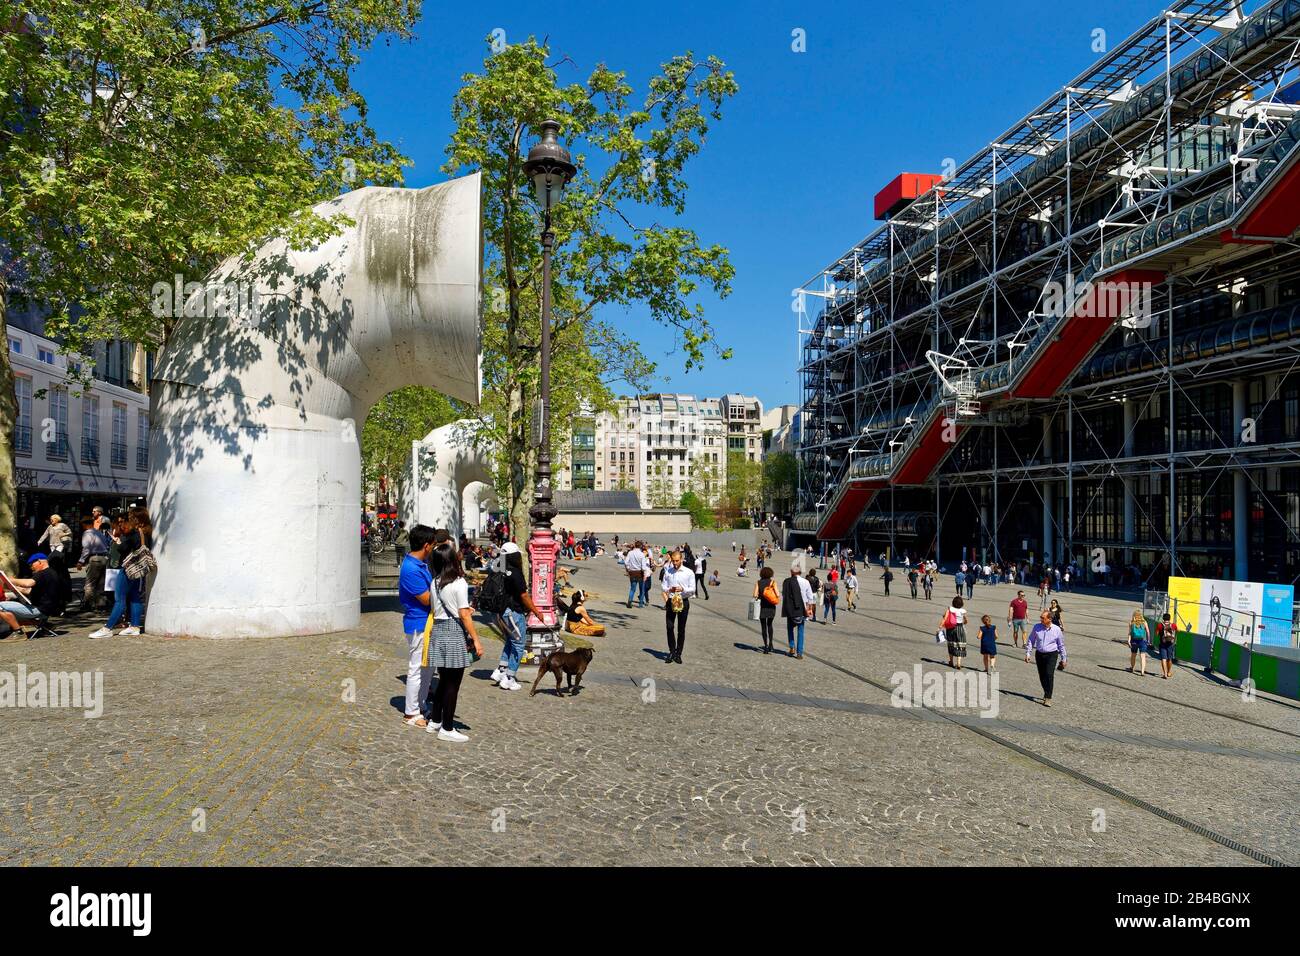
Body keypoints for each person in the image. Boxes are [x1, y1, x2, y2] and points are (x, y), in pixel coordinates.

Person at [425, 542, 483, 742]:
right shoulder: (459, 582)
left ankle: (435, 720)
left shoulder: (434, 582)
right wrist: (476, 639)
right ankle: (447, 727)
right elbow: (464, 614)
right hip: (453, 631)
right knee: (453, 684)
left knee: (443, 680)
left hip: (438, 630)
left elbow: (439, 608)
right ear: (452, 560)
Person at [396, 525, 437, 728]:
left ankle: (420, 706)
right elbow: (427, 599)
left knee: (428, 668)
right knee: (416, 668)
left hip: (427, 622)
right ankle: (410, 712)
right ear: (427, 545)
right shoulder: (411, 569)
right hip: (418, 623)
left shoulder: (421, 564)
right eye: (433, 545)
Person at [490, 542, 540, 691]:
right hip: (512, 612)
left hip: (499, 611)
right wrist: (536, 612)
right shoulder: (515, 573)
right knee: (519, 644)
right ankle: (509, 678)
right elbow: (523, 595)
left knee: (511, 641)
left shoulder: (498, 567)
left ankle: (500, 671)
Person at [89, 515, 145, 639]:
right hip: (137, 568)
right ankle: (135, 626)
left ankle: (108, 627)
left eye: (121, 522)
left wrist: (118, 542)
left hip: (127, 567)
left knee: (120, 598)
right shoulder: (139, 532)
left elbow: (123, 548)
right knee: (135, 597)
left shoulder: (130, 534)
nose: (119, 525)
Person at [1025, 610, 1067, 706]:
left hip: (1052, 654)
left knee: (1049, 674)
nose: (1041, 619)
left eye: (1043, 618)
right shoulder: (1037, 627)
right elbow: (1031, 640)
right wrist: (1028, 653)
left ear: (1050, 619)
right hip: (1039, 654)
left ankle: (1048, 697)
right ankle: (1046, 692)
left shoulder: (1057, 630)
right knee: (1042, 675)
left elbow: (1061, 645)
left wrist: (1064, 659)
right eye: (1040, 617)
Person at [661, 549, 695, 664]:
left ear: (681, 559)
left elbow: (693, 589)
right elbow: (663, 586)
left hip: (683, 601)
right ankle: (671, 651)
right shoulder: (668, 571)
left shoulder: (689, 572)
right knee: (669, 626)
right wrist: (668, 589)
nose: (675, 563)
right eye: (673, 561)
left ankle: (678, 653)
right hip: (671, 600)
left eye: (677, 561)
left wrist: (683, 589)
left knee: (681, 629)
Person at [781, 556, 815, 660]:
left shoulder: (786, 581)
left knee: (790, 629)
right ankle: (799, 653)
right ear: (800, 572)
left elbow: (784, 595)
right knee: (801, 631)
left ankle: (792, 647)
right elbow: (810, 598)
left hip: (790, 609)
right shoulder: (806, 582)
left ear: (792, 572)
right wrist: (809, 609)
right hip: (802, 609)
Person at [75, 517, 110, 612]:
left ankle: (87, 604)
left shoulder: (87, 533)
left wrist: (81, 561)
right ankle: (101, 605)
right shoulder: (99, 533)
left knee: (90, 583)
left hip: (95, 558)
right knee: (101, 583)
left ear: (84, 524)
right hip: (104, 558)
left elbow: (86, 548)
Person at [753, 566, 779, 653]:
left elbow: (755, 595)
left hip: (762, 607)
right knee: (770, 625)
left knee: (763, 627)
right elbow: (778, 594)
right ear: (771, 574)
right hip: (771, 606)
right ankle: (771, 643)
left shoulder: (758, 582)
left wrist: (761, 594)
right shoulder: (773, 582)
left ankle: (766, 646)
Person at [940, 595, 967, 668]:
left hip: (950, 628)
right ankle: (958, 663)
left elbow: (945, 618)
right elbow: (965, 621)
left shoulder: (950, 610)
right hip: (960, 628)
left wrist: (940, 626)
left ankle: (951, 661)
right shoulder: (962, 611)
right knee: (960, 645)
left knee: (951, 644)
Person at [1127, 609, 1151, 676]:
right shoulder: (1144, 622)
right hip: (1142, 641)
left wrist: (1128, 641)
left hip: (1134, 641)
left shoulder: (1131, 622)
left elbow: (1130, 633)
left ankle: (1132, 668)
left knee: (1133, 655)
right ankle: (1142, 671)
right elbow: (1148, 632)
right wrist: (1148, 640)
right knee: (1142, 656)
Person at [624, 541, 647, 608]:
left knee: (632, 588)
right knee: (641, 589)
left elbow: (626, 562)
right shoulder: (642, 554)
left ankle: (630, 601)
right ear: (640, 546)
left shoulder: (630, 553)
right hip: (640, 573)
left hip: (632, 572)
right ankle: (640, 604)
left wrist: (628, 568)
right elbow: (643, 567)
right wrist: (645, 574)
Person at [1154, 612, 1176, 679]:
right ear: (1169, 618)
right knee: (1169, 659)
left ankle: (1165, 674)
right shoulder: (1173, 625)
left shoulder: (1160, 625)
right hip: (1171, 644)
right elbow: (1178, 631)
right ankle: (1169, 672)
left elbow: (1157, 634)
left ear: (1163, 618)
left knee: (1163, 659)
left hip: (1162, 644)